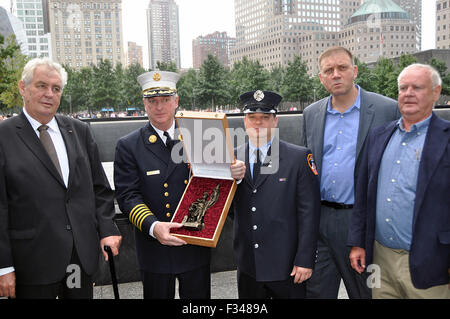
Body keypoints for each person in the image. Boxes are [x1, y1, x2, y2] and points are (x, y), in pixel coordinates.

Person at [114, 71, 244, 299]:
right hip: (153, 245)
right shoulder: (129, 145)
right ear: (144, 104)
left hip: (194, 243)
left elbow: (214, 181)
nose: (159, 107)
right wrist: (154, 227)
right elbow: (127, 196)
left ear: (176, 101)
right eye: (152, 101)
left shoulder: (199, 136)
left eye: (165, 100)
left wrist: (233, 173)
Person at [0, 58, 122, 299]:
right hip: (31, 264)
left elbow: (99, 189)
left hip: (79, 259)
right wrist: (4, 266)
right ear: (23, 88)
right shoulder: (3, 137)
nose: (49, 94)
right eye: (41, 86)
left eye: (56, 89)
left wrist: (108, 228)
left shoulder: (79, 131)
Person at [300, 46, 400, 299]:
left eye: (342, 68)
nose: (336, 74)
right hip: (320, 223)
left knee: (368, 293)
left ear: (354, 71)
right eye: (328, 70)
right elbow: (304, 167)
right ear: (321, 78)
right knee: (316, 294)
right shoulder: (311, 114)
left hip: (363, 223)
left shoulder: (387, 110)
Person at [348, 64, 450, 299]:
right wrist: (358, 242)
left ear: (436, 92)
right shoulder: (378, 136)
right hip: (380, 259)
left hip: (431, 262)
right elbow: (363, 194)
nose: (408, 93)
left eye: (417, 87)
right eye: (403, 88)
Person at [231, 90, 321, 299]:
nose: (258, 123)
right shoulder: (231, 157)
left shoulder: (298, 157)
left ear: (275, 121)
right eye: (252, 117)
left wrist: (305, 259)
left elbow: (309, 213)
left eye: (265, 118)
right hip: (248, 265)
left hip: (287, 266)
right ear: (244, 121)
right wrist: (231, 180)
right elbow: (226, 209)